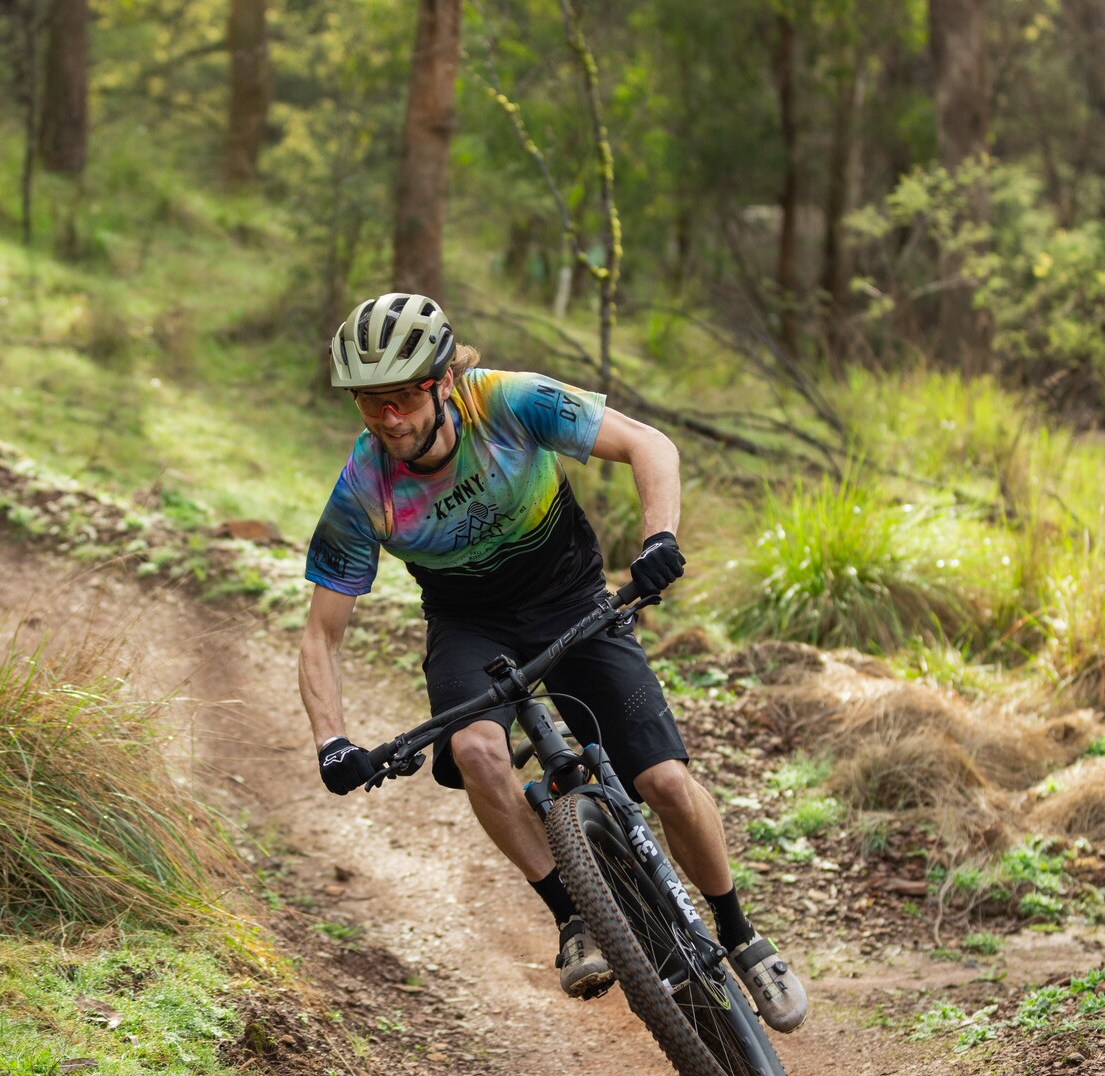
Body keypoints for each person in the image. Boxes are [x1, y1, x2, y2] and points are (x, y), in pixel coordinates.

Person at [296, 292, 805, 1033]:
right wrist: (332, 739)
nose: (388, 420)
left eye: (403, 397)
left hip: (569, 596)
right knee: (474, 748)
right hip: (470, 625)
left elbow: (647, 444)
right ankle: (574, 918)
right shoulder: (363, 490)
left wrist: (658, 538)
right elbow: (322, 635)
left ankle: (739, 933)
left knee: (664, 780)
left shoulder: (509, 401)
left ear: (442, 383)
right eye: (370, 403)